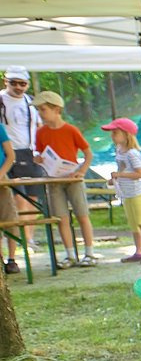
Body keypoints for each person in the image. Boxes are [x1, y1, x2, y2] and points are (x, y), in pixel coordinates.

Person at [32, 91, 97, 266]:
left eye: (43, 109)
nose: (40, 114)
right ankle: (70, 255)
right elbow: (39, 153)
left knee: (82, 215)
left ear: (56, 109)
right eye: (38, 110)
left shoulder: (70, 130)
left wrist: (81, 171)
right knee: (62, 218)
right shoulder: (40, 132)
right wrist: (38, 159)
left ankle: (89, 253)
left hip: (72, 178)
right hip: (53, 180)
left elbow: (88, 154)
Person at [1, 67, 43, 274]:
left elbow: (39, 126)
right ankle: (15, 248)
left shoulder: (31, 102)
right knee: (17, 201)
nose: (18, 87)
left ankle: (28, 238)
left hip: (31, 152)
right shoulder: (1, 100)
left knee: (34, 199)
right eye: (13, 83)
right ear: (5, 82)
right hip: (10, 154)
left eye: (22, 83)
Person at [103, 118, 141, 263]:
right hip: (126, 193)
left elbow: (140, 174)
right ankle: (138, 250)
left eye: (115, 132)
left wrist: (120, 175)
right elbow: (123, 169)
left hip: (137, 192)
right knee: (133, 223)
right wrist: (115, 179)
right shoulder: (119, 151)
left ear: (126, 134)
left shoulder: (132, 153)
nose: (112, 136)